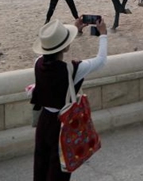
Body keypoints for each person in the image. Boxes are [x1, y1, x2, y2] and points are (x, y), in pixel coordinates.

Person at [31, 17, 108, 180]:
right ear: (65, 46)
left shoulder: (37, 63)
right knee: (59, 170)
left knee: (41, 164)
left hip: (44, 121)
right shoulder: (73, 69)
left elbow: (57, 52)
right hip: (62, 123)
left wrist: (73, 29)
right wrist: (103, 34)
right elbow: (101, 61)